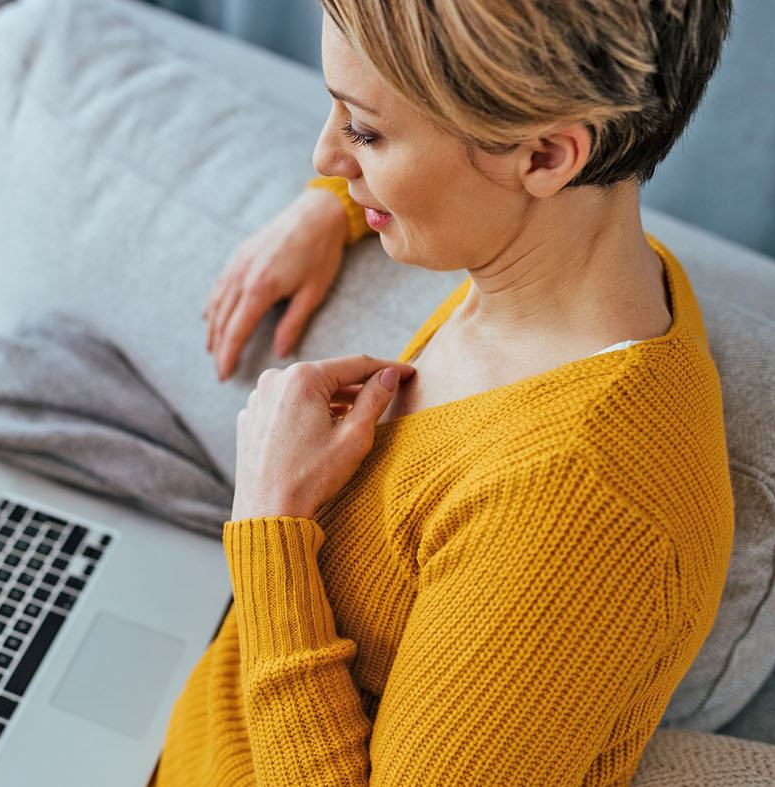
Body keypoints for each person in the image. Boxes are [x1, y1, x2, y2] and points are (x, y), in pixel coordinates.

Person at [170, 1, 735, 784]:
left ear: (544, 157)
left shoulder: (578, 512)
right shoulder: (584, 261)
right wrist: (331, 209)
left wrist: (271, 521)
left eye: (363, 130)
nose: (325, 153)